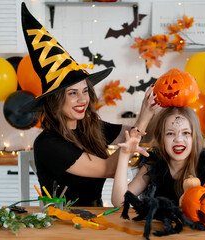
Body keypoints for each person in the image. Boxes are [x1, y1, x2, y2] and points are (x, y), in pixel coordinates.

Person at [20, 3, 159, 206]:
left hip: (97, 216)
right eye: (73, 93)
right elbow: (109, 169)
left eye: (85, 91)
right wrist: (144, 118)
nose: (83, 100)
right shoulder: (49, 143)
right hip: (63, 224)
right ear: (55, 100)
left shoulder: (91, 126)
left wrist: (163, 117)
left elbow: (143, 134)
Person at [111, 107, 205, 207]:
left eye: (186, 133)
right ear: (161, 138)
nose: (178, 139)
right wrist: (124, 154)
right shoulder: (153, 164)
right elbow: (119, 202)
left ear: (194, 138)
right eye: (170, 133)